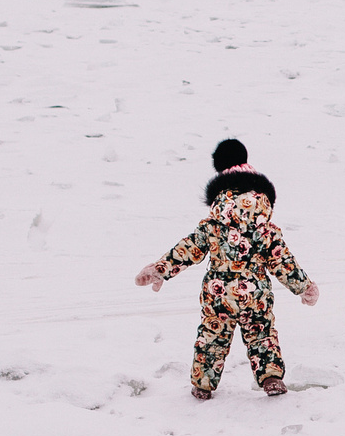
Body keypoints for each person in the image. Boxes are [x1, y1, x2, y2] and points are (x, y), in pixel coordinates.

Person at [136, 138, 318, 398]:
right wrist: (304, 286)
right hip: (255, 292)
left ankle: (203, 385)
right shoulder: (264, 224)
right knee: (261, 334)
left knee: (212, 335)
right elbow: (280, 258)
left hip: (218, 292)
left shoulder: (214, 222)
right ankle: (271, 379)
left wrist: (160, 268)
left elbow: (189, 248)